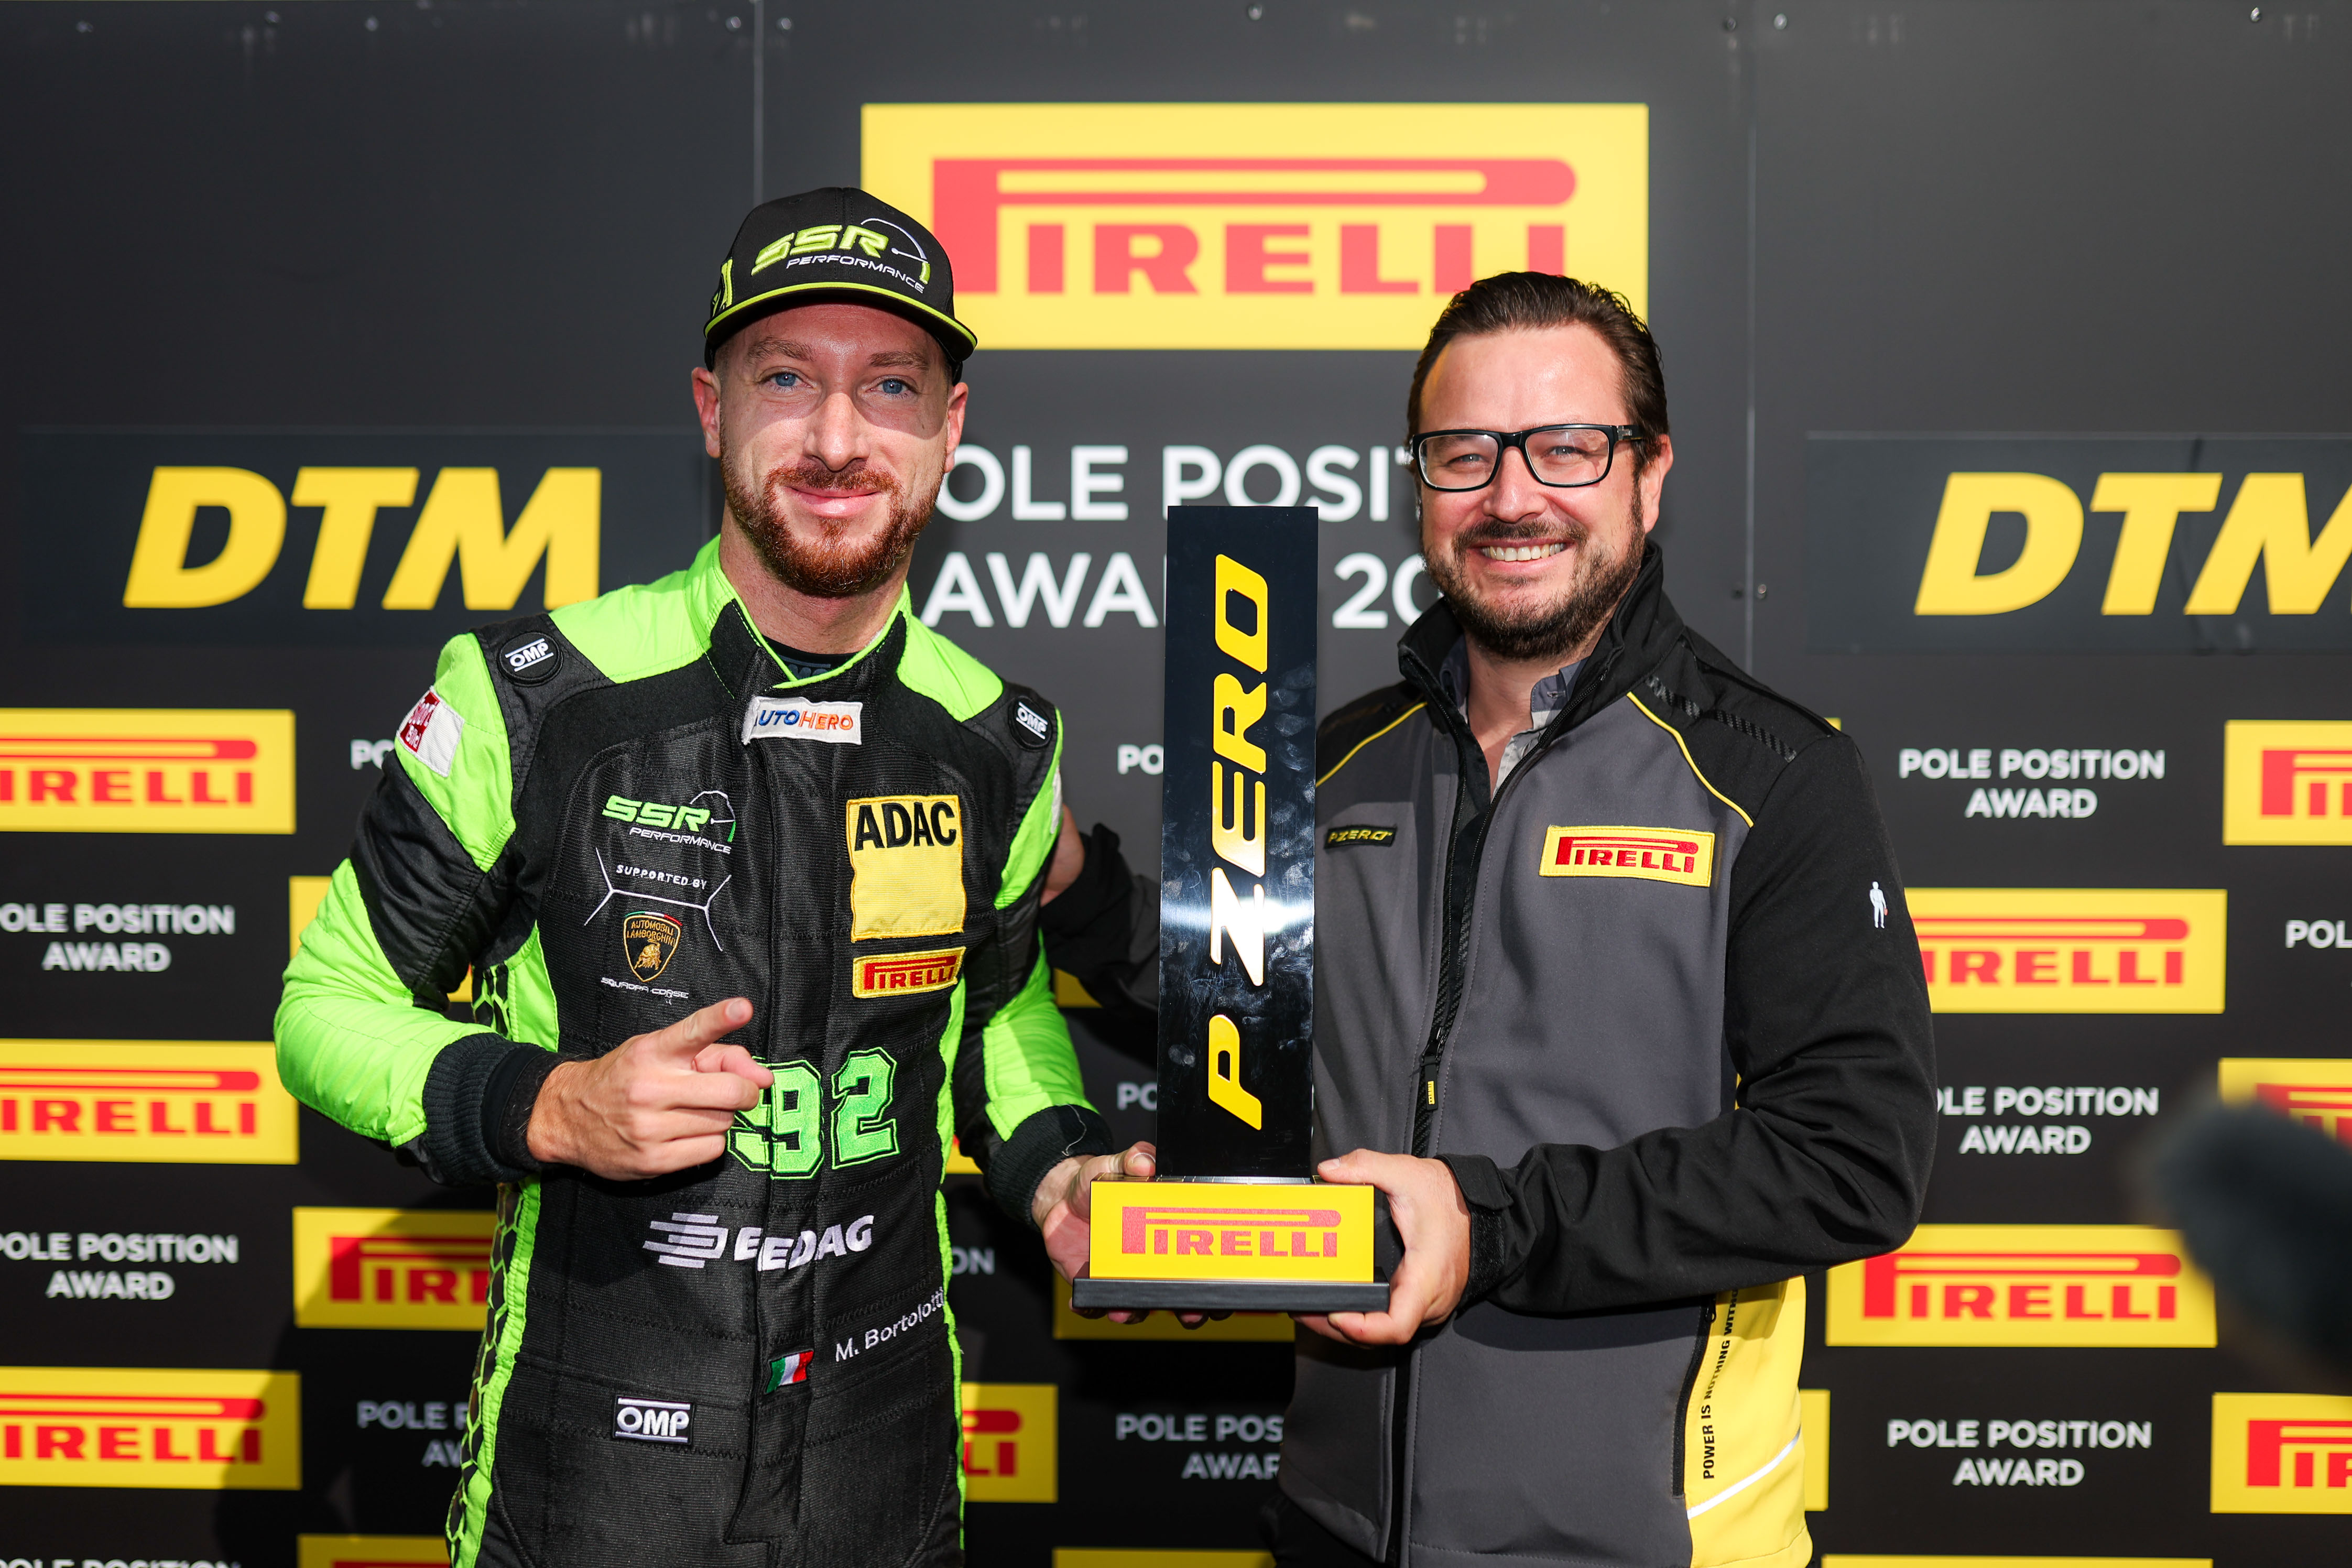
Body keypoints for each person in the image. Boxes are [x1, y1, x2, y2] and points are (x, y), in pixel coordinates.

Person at [276, 186, 1153, 1568]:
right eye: (786, 379)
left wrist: (1054, 1174)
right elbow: (325, 1010)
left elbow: (997, 1019)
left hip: (884, 1461)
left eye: (890, 386)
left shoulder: (1000, 739)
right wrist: (550, 1104)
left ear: (950, 428)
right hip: (593, 1469)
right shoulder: (536, 700)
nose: (837, 437)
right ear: (711, 408)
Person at [1041, 273, 1937, 1568]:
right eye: (1465, 452)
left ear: (1651, 473)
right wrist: (1070, 884)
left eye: (1568, 446)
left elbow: (1852, 1158)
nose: (1513, 496)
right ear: (1420, 485)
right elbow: (1231, 992)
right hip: (1338, 1526)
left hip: (1648, 1550)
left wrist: (1491, 1222)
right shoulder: (1327, 761)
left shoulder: (1776, 774)